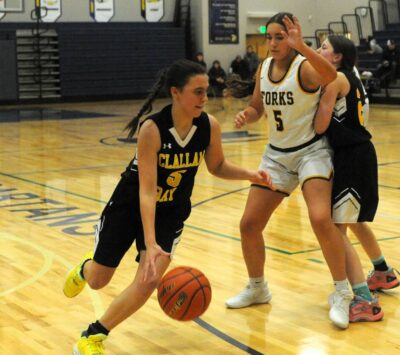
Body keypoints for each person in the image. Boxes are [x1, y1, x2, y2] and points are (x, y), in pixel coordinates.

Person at [63, 59, 273, 354]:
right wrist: (148, 242)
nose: (205, 98)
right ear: (176, 93)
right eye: (197, 92)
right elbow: (146, 192)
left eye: (206, 91)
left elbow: (218, 166)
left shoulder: (208, 126)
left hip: (171, 211)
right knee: (99, 280)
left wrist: (250, 174)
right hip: (130, 205)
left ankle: (93, 335)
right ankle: (86, 268)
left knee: (149, 279)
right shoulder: (153, 129)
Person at [224, 13, 353, 329]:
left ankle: (343, 293)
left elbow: (330, 74)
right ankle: (258, 288)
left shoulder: (305, 67)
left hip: (311, 152)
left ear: (292, 38)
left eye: (280, 37)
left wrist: (303, 46)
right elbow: (258, 107)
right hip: (277, 157)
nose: (272, 43)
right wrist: (247, 115)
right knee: (249, 224)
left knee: (321, 219)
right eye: (270, 37)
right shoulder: (263, 69)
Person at [315, 35, 400, 321]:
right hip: (360, 153)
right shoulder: (352, 76)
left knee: (336, 229)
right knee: (353, 222)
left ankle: (363, 299)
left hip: (351, 157)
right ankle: (382, 271)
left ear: (338, 56)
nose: (319, 51)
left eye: (324, 47)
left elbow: (319, 125)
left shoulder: (337, 80)